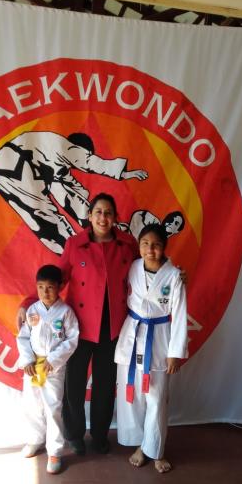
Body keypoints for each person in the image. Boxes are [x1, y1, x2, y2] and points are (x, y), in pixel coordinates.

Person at [59, 193, 139, 455]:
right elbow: (58, 279)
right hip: (79, 326)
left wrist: (171, 274)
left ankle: (100, 436)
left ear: (115, 218)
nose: (103, 218)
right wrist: (30, 303)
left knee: (105, 384)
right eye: (98, 212)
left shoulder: (128, 245)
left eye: (108, 213)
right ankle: (73, 435)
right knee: (74, 383)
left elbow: (146, 271)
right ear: (89, 216)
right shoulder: (74, 245)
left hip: (114, 325)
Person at [0, 130, 147, 254]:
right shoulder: (62, 146)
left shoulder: (51, 157)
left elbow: (74, 191)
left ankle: (79, 250)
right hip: (13, 166)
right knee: (44, 216)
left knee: (51, 205)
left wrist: (96, 220)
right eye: (83, 153)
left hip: (6, 169)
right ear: (78, 148)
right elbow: (88, 162)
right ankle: (78, 254)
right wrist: (125, 173)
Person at [115, 223, 188, 473]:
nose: (150, 249)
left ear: (164, 247)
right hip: (132, 335)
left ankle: (156, 449)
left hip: (159, 339)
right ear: (139, 245)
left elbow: (179, 315)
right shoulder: (133, 267)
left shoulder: (174, 276)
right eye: (145, 244)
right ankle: (140, 445)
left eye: (156, 245)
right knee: (132, 396)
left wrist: (174, 353)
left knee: (156, 399)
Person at [16, 264, 79, 473]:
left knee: (53, 408)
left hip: (53, 367)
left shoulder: (66, 312)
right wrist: (26, 360)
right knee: (32, 404)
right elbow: (23, 337)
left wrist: (55, 358)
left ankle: (55, 451)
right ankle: (35, 439)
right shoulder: (33, 310)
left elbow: (72, 339)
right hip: (33, 365)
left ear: (60, 286)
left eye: (50, 287)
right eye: (41, 287)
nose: (45, 292)